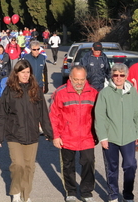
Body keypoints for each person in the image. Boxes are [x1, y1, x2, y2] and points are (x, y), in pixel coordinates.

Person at [0, 60, 53, 202]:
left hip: (32, 134)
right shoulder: (9, 90)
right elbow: (2, 113)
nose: (26, 75)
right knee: (18, 165)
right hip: (14, 133)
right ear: (16, 73)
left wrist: (48, 131)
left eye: (28, 72)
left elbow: (43, 112)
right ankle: (15, 192)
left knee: (29, 167)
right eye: (23, 72)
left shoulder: (36, 89)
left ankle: (26, 196)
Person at [49, 65, 98, 202]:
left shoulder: (93, 93)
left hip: (87, 136)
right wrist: (56, 136)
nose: (79, 83)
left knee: (88, 162)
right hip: (67, 136)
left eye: (82, 80)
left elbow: (100, 115)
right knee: (68, 165)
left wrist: (99, 134)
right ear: (70, 78)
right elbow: (53, 116)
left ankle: (86, 192)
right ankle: (70, 191)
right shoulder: (60, 93)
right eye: (76, 79)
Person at [95, 63, 138, 202]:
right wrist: (103, 137)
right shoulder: (105, 93)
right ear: (112, 75)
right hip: (110, 138)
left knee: (130, 165)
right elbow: (100, 116)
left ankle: (128, 195)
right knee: (112, 168)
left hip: (129, 137)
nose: (119, 78)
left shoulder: (132, 91)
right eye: (115, 75)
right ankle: (113, 195)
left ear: (126, 76)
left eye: (122, 75)